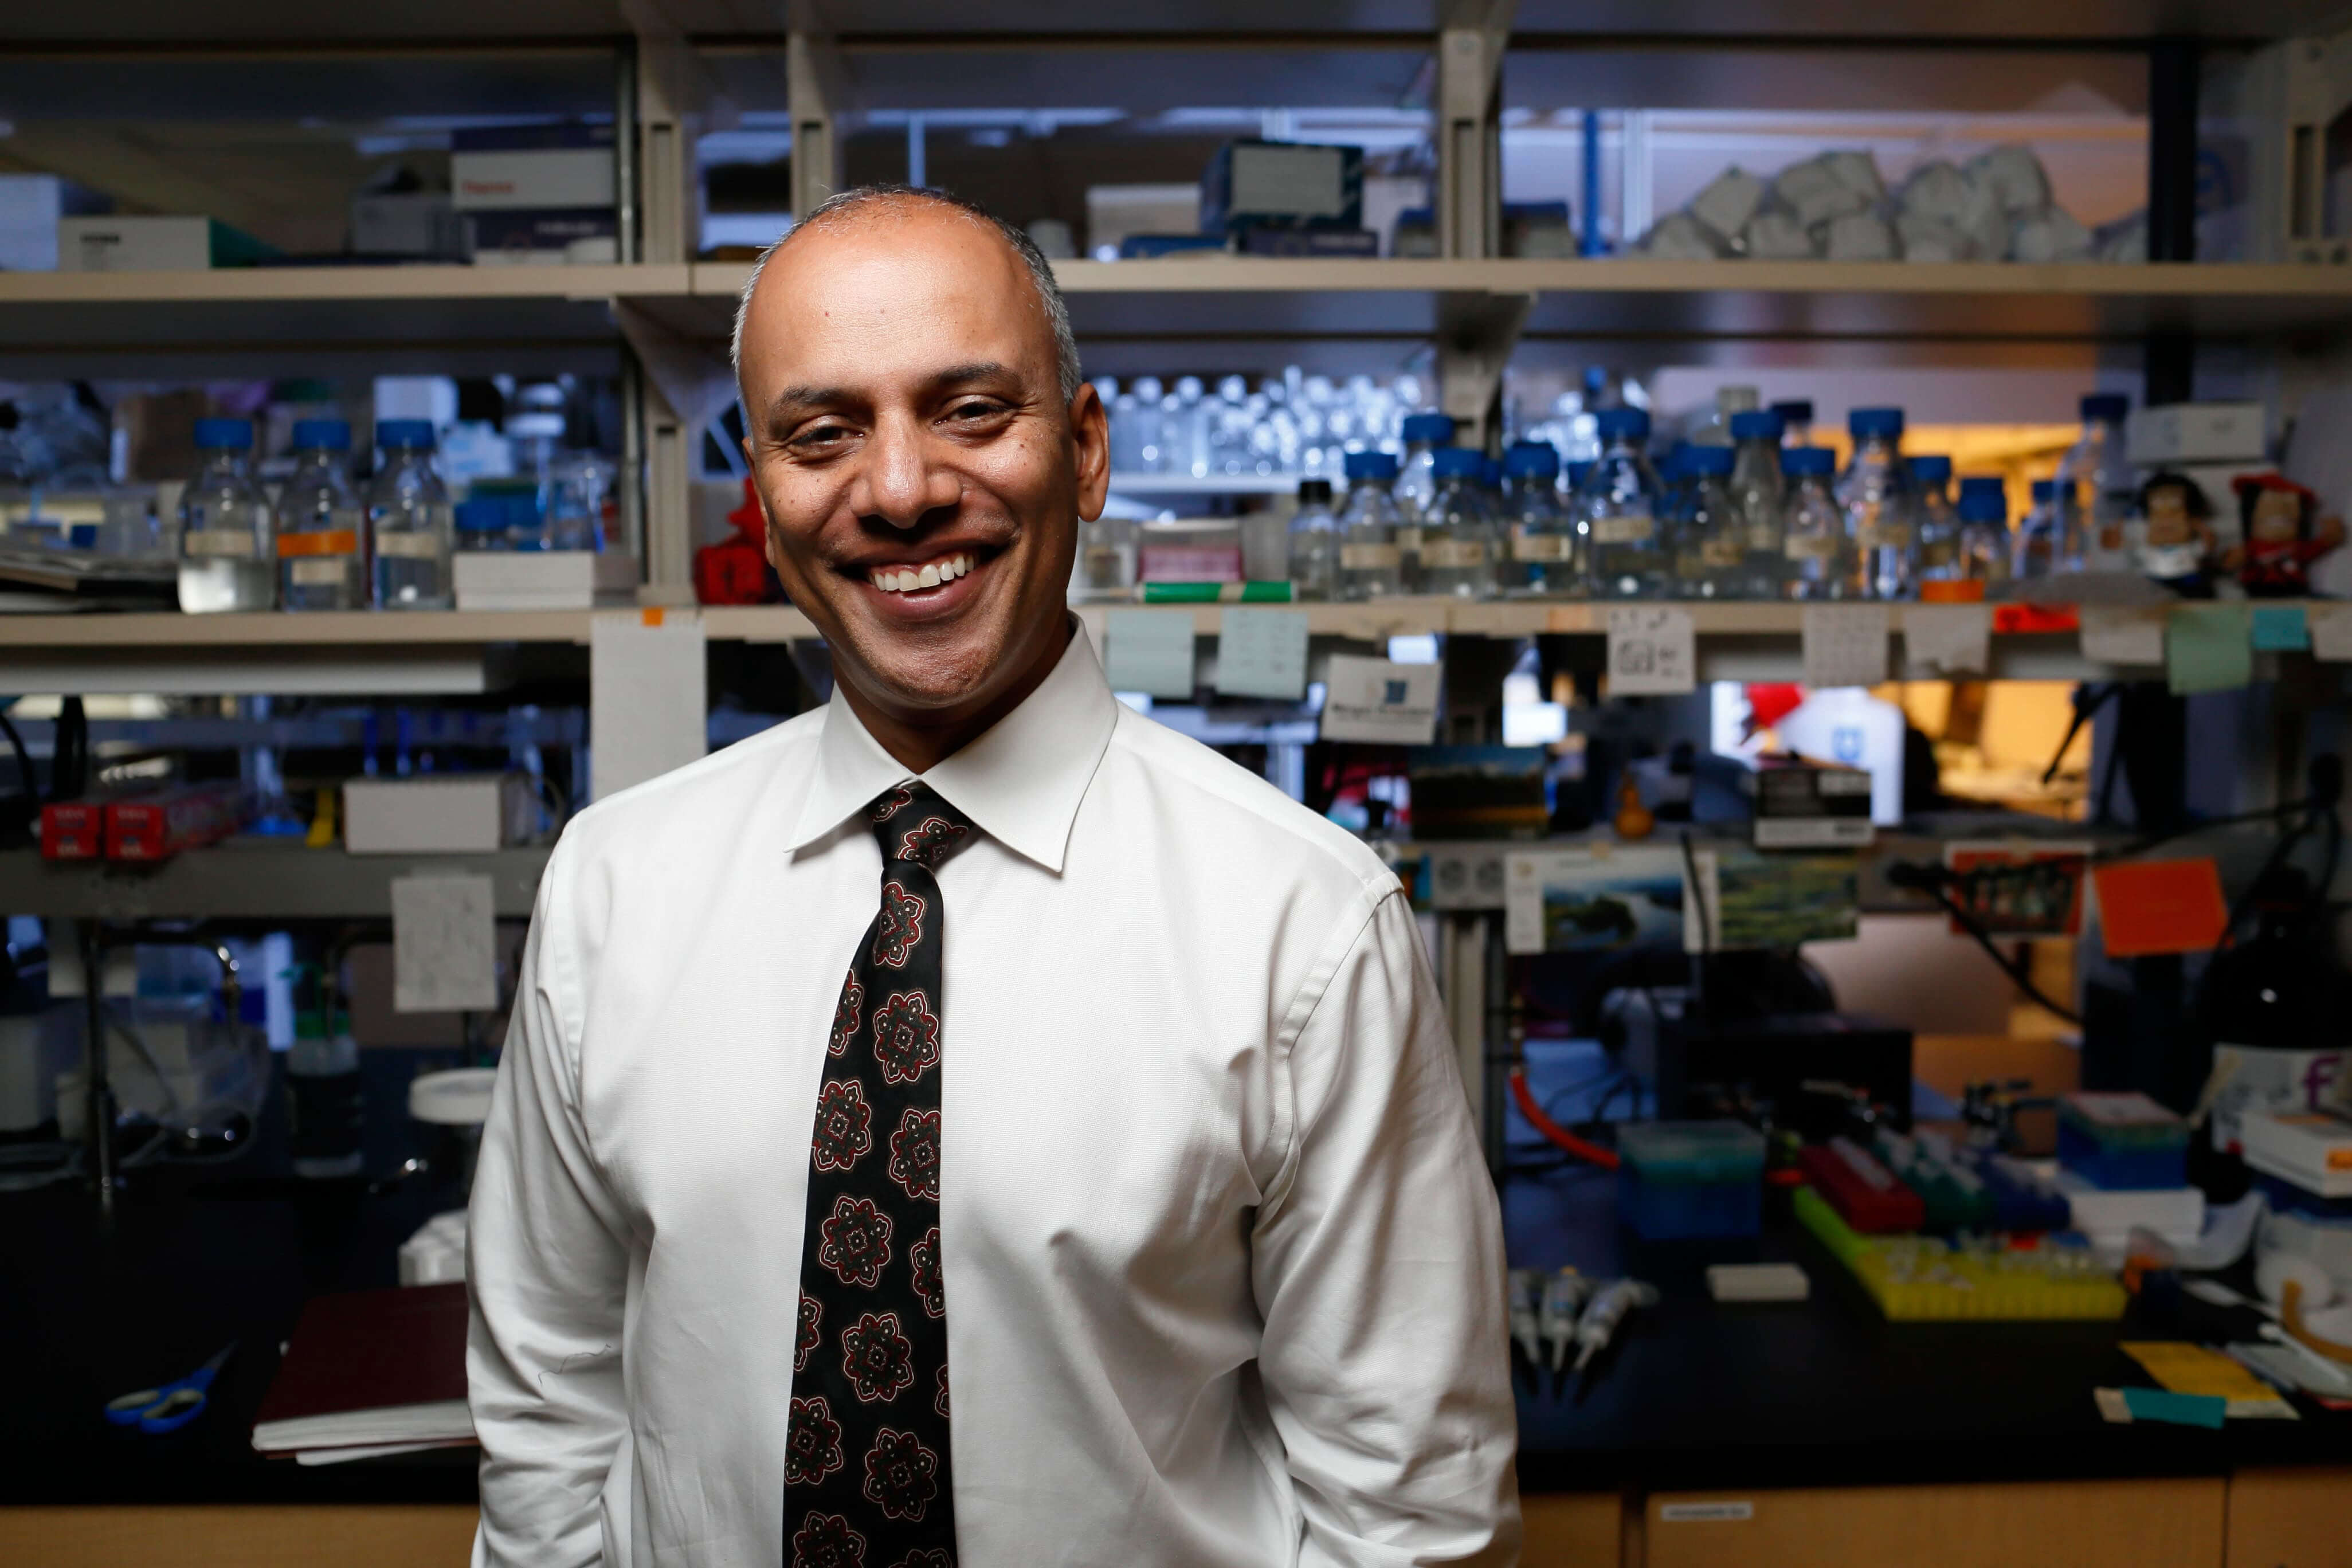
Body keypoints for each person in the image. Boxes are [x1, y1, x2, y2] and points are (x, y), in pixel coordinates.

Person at [467, 184, 1519, 1567]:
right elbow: (549, 1408)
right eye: (823, 434)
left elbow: (1410, 1511)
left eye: (970, 411)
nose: (902, 491)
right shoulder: (616, 888)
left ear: (1085, 452)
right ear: (766, 499)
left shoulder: (1302, 927)